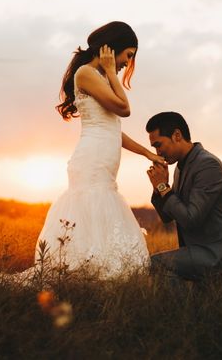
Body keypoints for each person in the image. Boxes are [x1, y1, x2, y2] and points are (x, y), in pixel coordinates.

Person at [35, 21, 164, 280]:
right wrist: (111, 71)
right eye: (127, 56)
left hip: (102, 160)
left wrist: (146, 153)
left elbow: (113, 129)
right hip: (91, 160)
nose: (127, 64)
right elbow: (124, 109)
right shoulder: (86, 74)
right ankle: (84, 275)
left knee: (102, 211)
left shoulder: (101, 77)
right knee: (93, 207)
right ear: (111, 48)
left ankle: (99, 275)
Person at [145, 112, 222, 286]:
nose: (157, 152)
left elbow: (191, 219)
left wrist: (163, 188)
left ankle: (179, 312)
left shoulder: (207, 165)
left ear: (176, 135)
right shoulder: (179, 168)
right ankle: (185, 311)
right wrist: (158, 187)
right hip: (203, 250)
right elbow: (168, 217)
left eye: (159, 145)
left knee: (155, 264)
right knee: (205, 306)